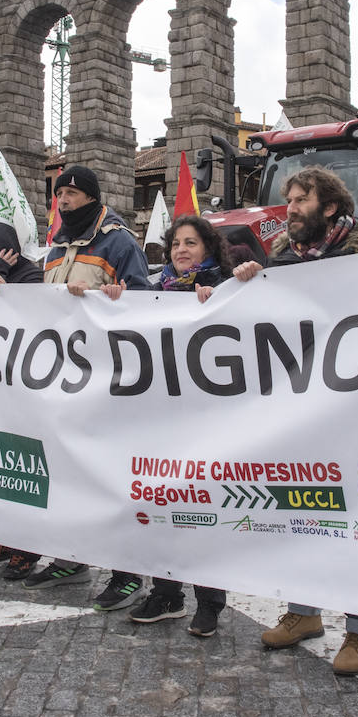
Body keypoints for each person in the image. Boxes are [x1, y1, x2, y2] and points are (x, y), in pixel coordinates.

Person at [234, 165, 358, 676]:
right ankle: (303, 613)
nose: (290, 208)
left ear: (329, 208)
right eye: (288, 199)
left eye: (300, 200)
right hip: (298, 414)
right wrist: (244, 286)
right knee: (298, 515)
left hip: (355, 412)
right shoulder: (280, 261)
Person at [25, 164, 150, 611]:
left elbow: (142, 301)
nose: (64, 201)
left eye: (73, 194)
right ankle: (71, 557)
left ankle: (127, 571)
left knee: (111, 481)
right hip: (64, 381)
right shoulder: (55, 249)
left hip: (108, 383)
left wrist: (107, 299)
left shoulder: (118, 241)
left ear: (92, 198)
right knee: (67, 477)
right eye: (60, 194)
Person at [116, 215, 231, 637]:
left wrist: (219, 300)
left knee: (202, 510)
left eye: (191, 243)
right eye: (176, 244)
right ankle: (166, 593)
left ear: (208, 248)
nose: (182, 250)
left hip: (206, 421)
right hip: (161, 420)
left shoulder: (224, 286)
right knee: (161, 507)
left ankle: (210, 602)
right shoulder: (155, 291)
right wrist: (114, 300)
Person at [0, 218, 44, 579]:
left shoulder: (30, 275)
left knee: (21, 464)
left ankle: (26, 547)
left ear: (4, 247)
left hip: (23, 386)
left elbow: (27, 314)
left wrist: (3, 279)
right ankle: (0, 535)